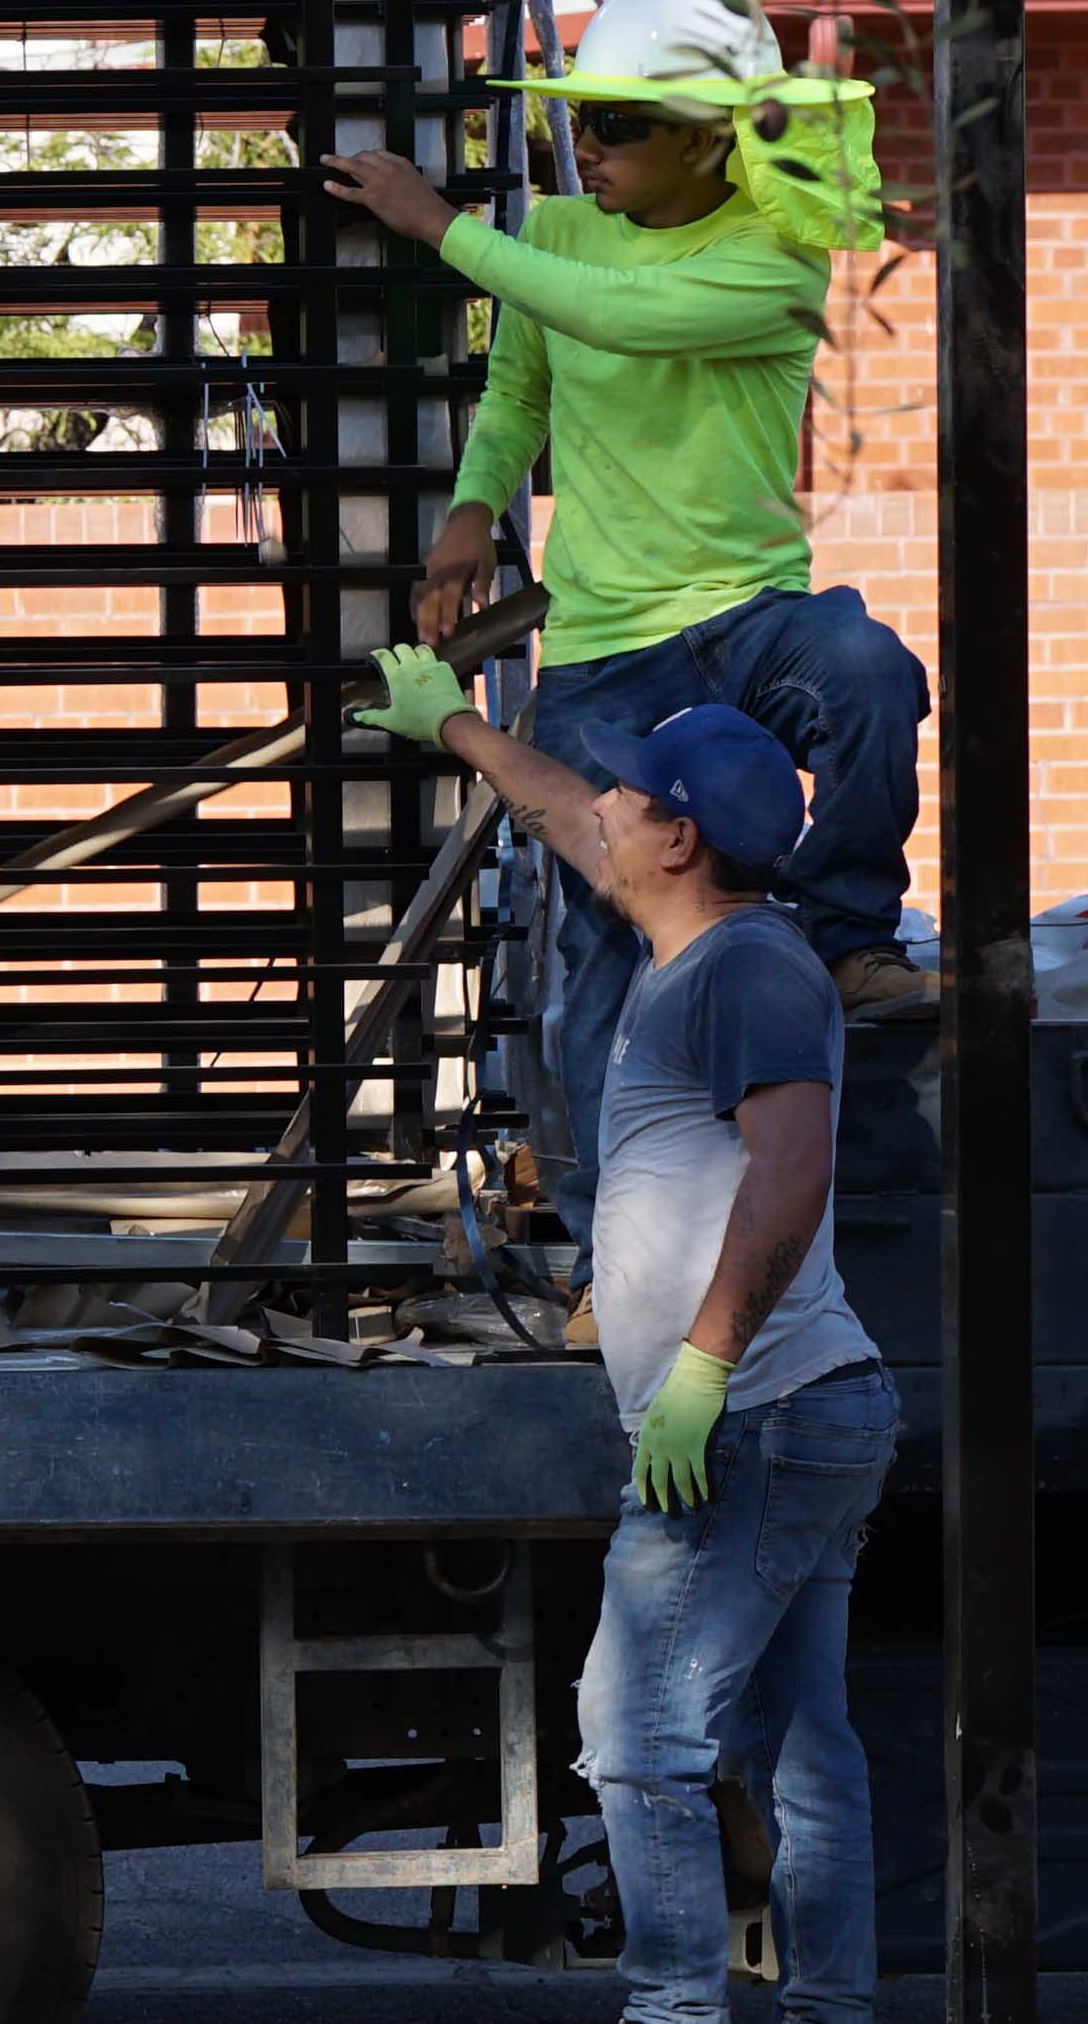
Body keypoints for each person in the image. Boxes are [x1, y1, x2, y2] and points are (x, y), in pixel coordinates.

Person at [320, 0, 928, 1243]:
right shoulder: (554, 229)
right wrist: (472, 511)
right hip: (605, 644)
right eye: (579, 117)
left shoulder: (771, 258)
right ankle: (609, 1240)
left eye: (618, 122)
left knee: (864, 668)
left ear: (711, 136)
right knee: (599, 959)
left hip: (747, 616)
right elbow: (524, 390)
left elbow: (618, 315)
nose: (584, 144)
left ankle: (845, 925)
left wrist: (440, 228)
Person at [361, 650, 892, 2024]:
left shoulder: (754, 974)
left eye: (633, 793)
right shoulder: (694, 943)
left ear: (682, 834)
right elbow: (562, 813)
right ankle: (834, 2007)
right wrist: (460, 726)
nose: (605, 802)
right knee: (799, 1751)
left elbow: (792, 1172)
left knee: (635, 1733)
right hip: (782, 1409)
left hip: (755, 1413)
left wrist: (703, 1365)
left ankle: (673, 2005)